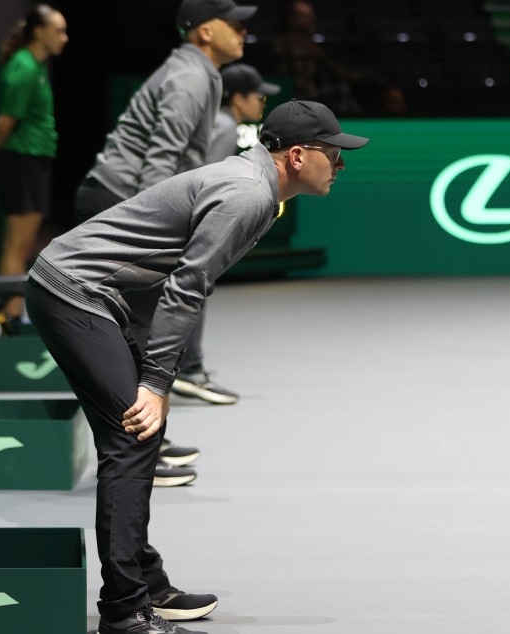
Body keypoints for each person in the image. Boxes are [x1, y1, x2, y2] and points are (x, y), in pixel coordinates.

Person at [26, 99, 368, 634]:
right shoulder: (248, 194)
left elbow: (158, 268)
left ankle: (145, 581)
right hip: (74, 293)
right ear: (298, 157)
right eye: (334, 153)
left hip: (89, 294)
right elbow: (186, 288)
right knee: (133, 437)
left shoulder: (256, 187)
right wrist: (157, 381)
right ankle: (124, 610)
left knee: (136, 437)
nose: (341, 164)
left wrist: (142, 360)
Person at [75, 0, 255, 429]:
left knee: (145, 323)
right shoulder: (190, 77)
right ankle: (138, 442)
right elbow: (160, 163)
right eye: (233, 25)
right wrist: (148, 232)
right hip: (121, 199)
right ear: (205, 32)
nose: (243, 32)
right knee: (142, 326)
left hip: (117, 196)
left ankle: (141, 441)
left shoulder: (198, 72)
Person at [0, 4, 68, 322]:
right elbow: (4, 123)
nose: (64, 38)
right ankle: (8, 314)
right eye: (59, 31)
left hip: (34, 158)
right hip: (20, 161)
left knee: (25, 243)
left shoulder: (36, 66)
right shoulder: (23, 68)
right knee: (17, 244)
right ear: (39, 32)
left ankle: (12, 309)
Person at [272, 0, 361, 114]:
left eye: (312, 15)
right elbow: (281, 78)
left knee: (343, 91)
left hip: (314, 97)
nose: (312, 19)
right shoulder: (282, 44)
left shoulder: (314, 47)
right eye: (306, 16)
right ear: (292, 20)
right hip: (293, 99)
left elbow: (338, 73)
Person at [207, 63, 281, 162]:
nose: (263, 105)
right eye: (261, 99)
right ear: (239, 99)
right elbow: (206, 173)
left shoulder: (220, 120)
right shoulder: (226, 126)